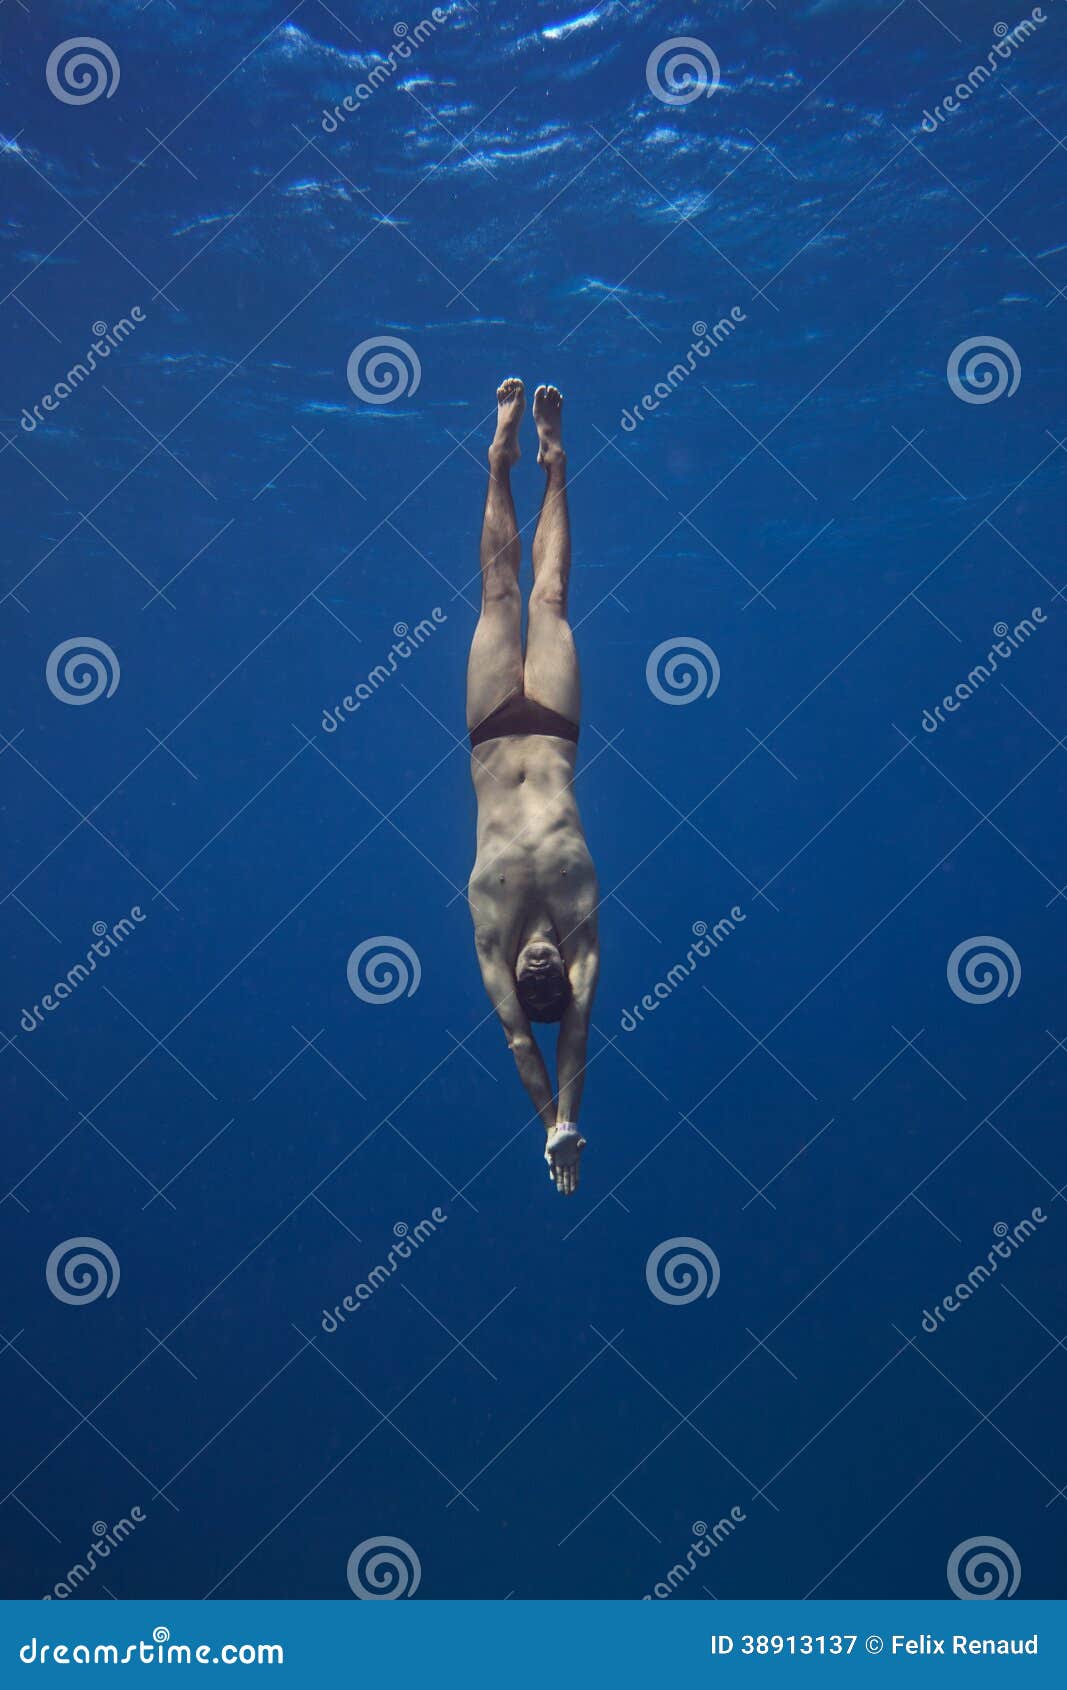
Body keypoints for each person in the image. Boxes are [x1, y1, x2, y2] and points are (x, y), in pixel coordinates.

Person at [466, 380, 600, 1197]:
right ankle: (552, 463)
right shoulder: (581, 934)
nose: (546, 964)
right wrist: (570, 1118)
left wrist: (547, 1121)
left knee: (496, 593)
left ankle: (498, 456)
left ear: (518, 974)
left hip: (486, 731)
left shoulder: (490, 932)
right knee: (548, 597)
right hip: (552, 731)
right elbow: (571, 1034)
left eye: (535, 975)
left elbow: (524, 1044)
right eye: (557, 974)